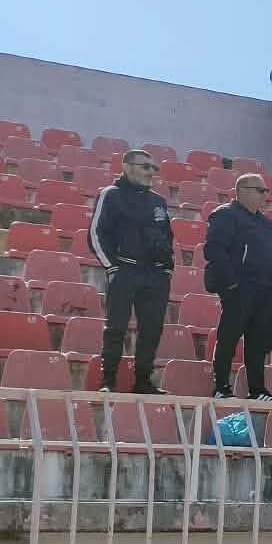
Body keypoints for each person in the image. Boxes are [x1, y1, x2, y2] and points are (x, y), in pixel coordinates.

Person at [90, 150, 175, 394]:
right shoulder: (111, 194)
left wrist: (167, 269)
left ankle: (143, 381)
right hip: (125, 270)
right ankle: (108, 381)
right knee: (116, 327)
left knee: (152, 330)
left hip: (155, 276)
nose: (151, 172)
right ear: (127, 167)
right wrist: (112, 267)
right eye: (145, 166)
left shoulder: (158, 201)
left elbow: (168, 237)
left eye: (153, 167)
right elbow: (96, 234)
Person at [202, 173, 272, 399]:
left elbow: (271, 258)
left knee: (258, 341)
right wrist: (232, 283)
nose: (265, 195)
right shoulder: (225, 215)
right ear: (242, 191)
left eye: (266, 191)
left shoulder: (266, 223)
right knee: (229, 337)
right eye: (260, 190)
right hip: (240, 286)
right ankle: (221, 387)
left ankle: (257, 389)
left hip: (264, 289)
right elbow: (214, 250)